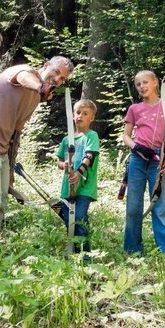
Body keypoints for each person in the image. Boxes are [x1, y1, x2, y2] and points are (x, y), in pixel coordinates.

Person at [0, 55, 73, 263]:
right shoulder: (24, 72)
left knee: (1, 203)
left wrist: (10, 169)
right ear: (46, 66)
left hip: (1, 150)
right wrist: (40, 88)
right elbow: (23, 79)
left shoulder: (35, 98)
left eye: (62, 79)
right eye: (56, 73)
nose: (57, 80)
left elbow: (16, 133)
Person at [121, 70, 165, 255]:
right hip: (138, 159)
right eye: (138, 84)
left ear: (155, 83)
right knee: (133, 207)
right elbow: (125, 136)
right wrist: (136, 147)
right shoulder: (134, 109)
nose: (142, 87)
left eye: (145, 82)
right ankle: (132, 250)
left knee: (160, 205)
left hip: (158, 159)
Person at [55, 98, 100, 257]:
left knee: (79, 217)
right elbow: (59, 161)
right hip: (68, 187)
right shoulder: (67, 139)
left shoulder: (91, 136)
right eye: (78, 112)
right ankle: (74, 250)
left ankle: (85, 254)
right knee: (67, 218)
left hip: (84, 187)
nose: (80, 116)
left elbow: (90, 156)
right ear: (73, 115)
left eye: (85, 113)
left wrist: (79, 173)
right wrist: (65, 165)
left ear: (91, 118)